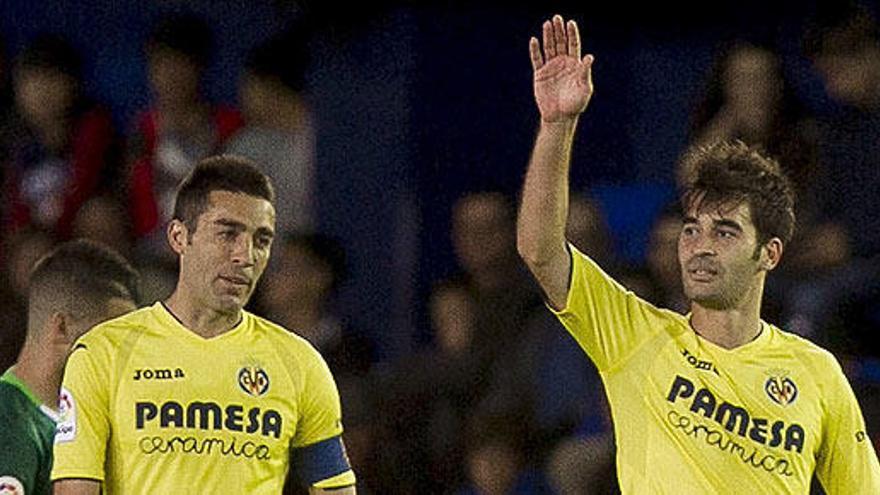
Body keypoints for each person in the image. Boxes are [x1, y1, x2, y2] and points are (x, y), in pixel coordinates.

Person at [517, 14, 880, 493]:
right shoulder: (635, 335)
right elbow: (540, 251)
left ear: (769, 253)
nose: (700, 247)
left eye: (725, 232)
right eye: (692, 230)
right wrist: (557, 126)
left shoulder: (817, 372)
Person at [52, 156, 356, 494]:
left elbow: (334, 487)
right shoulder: (103, 353)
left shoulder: (300, 363)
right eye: (228, 233)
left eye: (262, 240)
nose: (246, 256)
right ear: (180, 237)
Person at [0, 240, 140, 495]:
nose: (124, 356)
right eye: (111, 339)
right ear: (62, 328)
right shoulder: (10, 422)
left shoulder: (85, 422)